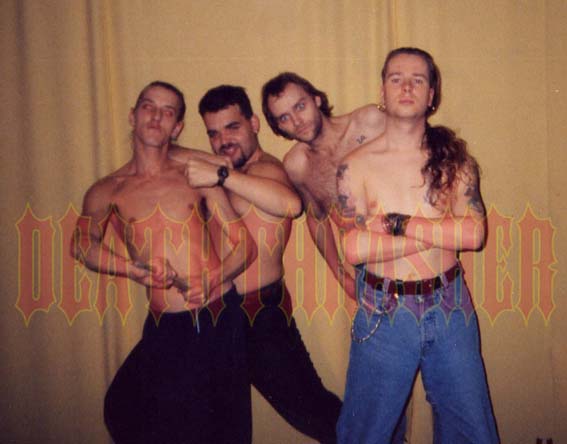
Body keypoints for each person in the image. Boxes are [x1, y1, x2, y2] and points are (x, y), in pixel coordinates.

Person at [72, 81, 257, 443]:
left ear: (177, 127)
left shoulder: (195, 176)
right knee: (124, 411)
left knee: (222, 431)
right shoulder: (107, 190)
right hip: (164, 324)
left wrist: (211, 279)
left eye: (168, 111)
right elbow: (82, 244)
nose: (156, 116)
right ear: (133, 115)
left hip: (216, 313)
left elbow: (244, 245)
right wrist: (133, 270)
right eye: (148, 106)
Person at [335, 47, 499, 443]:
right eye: (396, 79)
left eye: (417, 80)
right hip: (383, 310)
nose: (406, 87)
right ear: (383, 91)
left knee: (472, 431)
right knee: (366, 433)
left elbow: (474, 236)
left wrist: (397, 225)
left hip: (449, 306)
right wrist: (439, 230)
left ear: (431, 95)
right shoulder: (354, 165)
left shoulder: (455, 159)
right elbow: (353, 249)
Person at [169, 84, 342, 444]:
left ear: (254, 123)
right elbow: (171, 154)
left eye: (232, 128)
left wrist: (220, 174)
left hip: (258, 315)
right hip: (215, 315)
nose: (223, 141)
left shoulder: (266, 170)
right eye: (213, 134)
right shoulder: (223, 169)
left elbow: (290, 204)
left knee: (315, 414)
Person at [261, 72, 387, 301]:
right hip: (370, 275)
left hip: (420, 257)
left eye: (300, 106)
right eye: (284, 118)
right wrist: (342, 278)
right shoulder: (298, 165)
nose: (297, 121)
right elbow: (317, 219)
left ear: (316, 99)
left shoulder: (369, 121)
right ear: (278, 127)